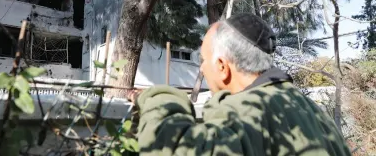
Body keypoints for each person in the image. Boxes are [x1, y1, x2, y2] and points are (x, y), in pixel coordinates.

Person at [129, 13, 351, 156]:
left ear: (222, 67)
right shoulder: (309, 109)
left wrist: (156, 98)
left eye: (203, 61)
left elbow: (174, 148)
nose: (202, 69)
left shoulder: (248, 110)